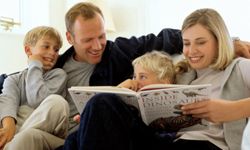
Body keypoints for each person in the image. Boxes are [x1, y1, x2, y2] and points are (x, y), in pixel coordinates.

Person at [57, 8, 250, 150]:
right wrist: (97, 116)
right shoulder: (183, 73)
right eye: (186, 43)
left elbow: (162, 37)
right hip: (168, 140)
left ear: (220, 40)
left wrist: (232, 110)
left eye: (201, 42)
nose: (191, 51)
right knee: (99, 106)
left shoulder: (239, 68)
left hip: (207, 145)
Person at [0, 26, 69, 150]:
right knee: (18, 115)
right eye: (46, 46)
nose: (53, 53)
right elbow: (7, 103)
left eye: (56, 49)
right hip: (19, 132)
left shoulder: (58, 75)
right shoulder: (13, 79)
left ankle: (12, 143)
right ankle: (11, 141)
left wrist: (35, 65)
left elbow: (37, 99)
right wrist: (7, 128)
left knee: (57, 102)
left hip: (47, 134)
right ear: (28, 50)